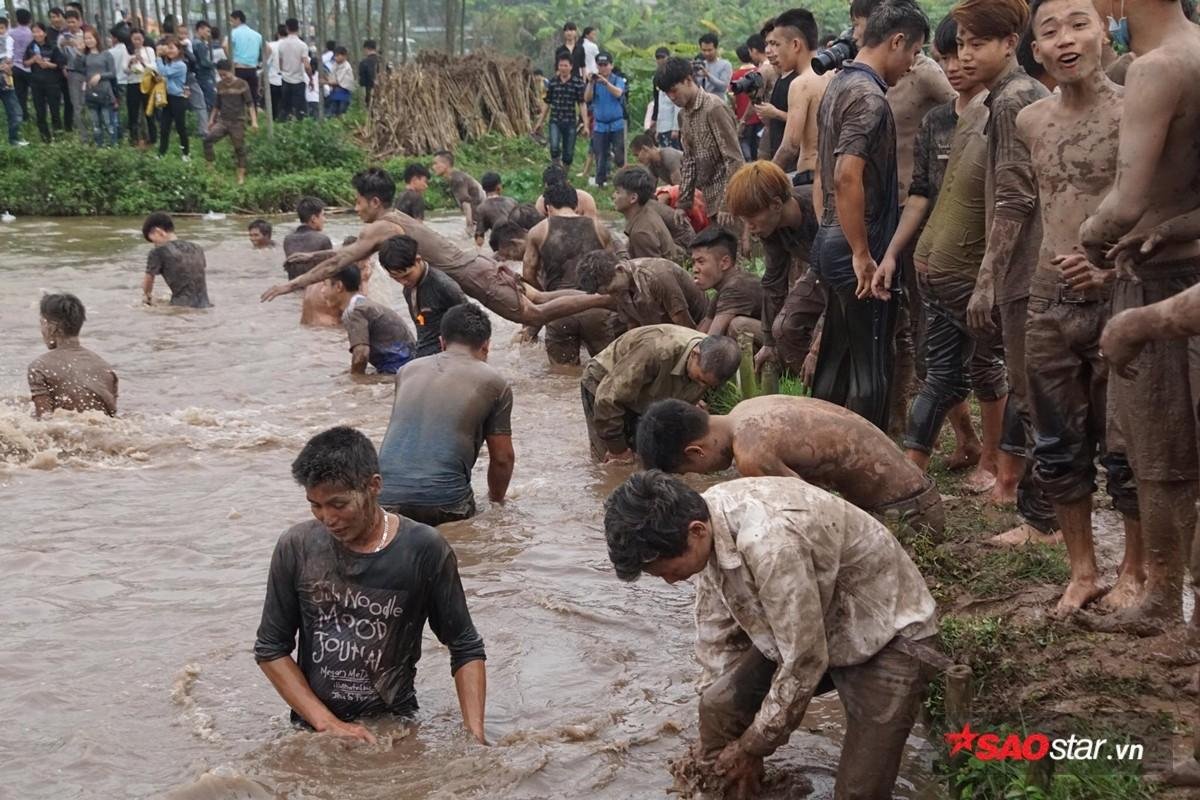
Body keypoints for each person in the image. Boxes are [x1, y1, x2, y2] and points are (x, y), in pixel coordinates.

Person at [602, 471, 937, 800]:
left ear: (697, 531)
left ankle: (746, 768)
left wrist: (752, 745)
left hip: (885, 635)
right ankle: (732, 789)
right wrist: (724, 727)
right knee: (718, 704)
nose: (670, 581)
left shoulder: (771, 541)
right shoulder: (707, 523)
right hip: (810, 624)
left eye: (667, 570)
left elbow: (805, 662)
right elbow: (717, 638)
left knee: (858, 791)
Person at [1002, 0, 1140, 618]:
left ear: (1106, 31)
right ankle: (1082, 570)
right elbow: (1033, 205)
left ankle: (1136, 570)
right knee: (1056, 441)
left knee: (1129, 445)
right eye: (1049, 31)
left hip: (1123, 294)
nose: (1065, 39)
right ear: (1034, 51)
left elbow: (1160, 203)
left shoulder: (1136, 110)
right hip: (1048, 299)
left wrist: (1113, 266)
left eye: (1079, 23)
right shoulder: (1031, 120)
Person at [1073, 0, 1200, 641]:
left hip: (1162, 282)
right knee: (1173, 448)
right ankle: (1171, 603)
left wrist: (1084, 242)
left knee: (1161, 452)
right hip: (1179, 260)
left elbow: (1125, 203)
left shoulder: (1156, 69)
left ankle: (1166, 595)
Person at [253, 426, 487, 743]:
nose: (327, 518)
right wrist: (326, 723)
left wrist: (475, 738)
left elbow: (465, 647)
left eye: (338, 504)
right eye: (315, 505)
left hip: (394, 727)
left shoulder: (423, 549)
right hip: (312, 731)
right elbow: (271, 649)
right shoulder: (297, 547)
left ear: (373, 486)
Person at [888, 16, 1007, 488]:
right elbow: (920, 191)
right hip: (935, 259)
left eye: (962, 53)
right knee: (935, 362)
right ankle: (967, 441)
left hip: (982, 259)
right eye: (945, 58)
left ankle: (993, 461)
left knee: (984, 363)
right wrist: (896, 250)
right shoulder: (937, 120)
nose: (955, 66)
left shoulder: (1000, 113)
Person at [954, 0, 1057, 541]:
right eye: (962, 43)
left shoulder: (1016, 99)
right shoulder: (1013, 97)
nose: (965, 55)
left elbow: (1016, 198)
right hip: (1028, 269)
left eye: (976, 43)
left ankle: (1044, 522)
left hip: (1027, 272)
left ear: (1010, 41)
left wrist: (987, 280)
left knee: (1033, 391)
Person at [265, 168, 584, 330]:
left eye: (358, 200)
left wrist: (292, 284)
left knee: (534, 315)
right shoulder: (392, 218)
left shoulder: (382, 226)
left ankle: (609, 299)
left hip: (474, 276)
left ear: (374, 202)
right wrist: (311, 256)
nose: (355, 206)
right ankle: (603, 298)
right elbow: (350, 251)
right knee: (539, 298)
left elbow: (342, 261)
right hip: (478, 264)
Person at [810, 0, 927, 430]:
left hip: (829, 236)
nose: (913, 65)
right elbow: (846, 175)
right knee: (869, 363)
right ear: (896, 41)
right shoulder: (870, 98)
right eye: (914, 52)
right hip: (860, 244)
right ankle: (866, 467)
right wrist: (862, 252)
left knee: (835, 356)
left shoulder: (838, 84)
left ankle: (819, 451)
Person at [639, 395, 944, 532]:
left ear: (695, 453)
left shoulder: (751, 454)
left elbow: (812, 517)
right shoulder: (747, 408)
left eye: (688, 472)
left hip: (909, 517)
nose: (697, 474)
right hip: (919, 491)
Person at [378, 304, 514, 525]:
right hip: (446, 502)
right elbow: (502, 458)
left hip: (384, 499)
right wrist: (496, 503)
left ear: (441, 342)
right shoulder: (495, 382)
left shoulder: (407, 371)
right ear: (486, 346)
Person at [581, 326, 740, 462]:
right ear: (694, 354)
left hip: (650, 389)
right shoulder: (657, 350)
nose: (700, 386)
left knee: (645, 454)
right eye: (699, 379)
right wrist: (617, 450)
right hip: (604, 383)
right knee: (612, 462)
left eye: (707, 385)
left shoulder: (714, 362)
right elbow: (607, 399)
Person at [726, 162, 822, 379]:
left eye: (751, 218)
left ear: (776, 205)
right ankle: (810, 386)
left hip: (855, 275)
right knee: (784, 327)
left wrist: (817, 348)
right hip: (820, 273)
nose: (749, 227)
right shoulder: (772, 228)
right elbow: (773, 282)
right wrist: (769, 342)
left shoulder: (820, 211)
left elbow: (837, 285)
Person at [520, 180, 619, 364]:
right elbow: (613, 271)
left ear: (547, 207)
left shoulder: (538, 231)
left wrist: (545, 296)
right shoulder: (600, 229)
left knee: (562, 374)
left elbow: (528, 276)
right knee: (608, 369)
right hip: (595, 308)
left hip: (558, 310)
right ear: (576, 204)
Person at [655, 56, 743, 227]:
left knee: (733, 250)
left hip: (728, 199)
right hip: (707, 198)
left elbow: (734, 159)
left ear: (688, 80)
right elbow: (689, 162)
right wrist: (683, 203)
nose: (671, 97)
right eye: (667, 93)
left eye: (674, 90)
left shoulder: (714, 108)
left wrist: (727, 203)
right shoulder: (683, 116)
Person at [760, 9, 831, 183]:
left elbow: (790, 146)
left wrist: (763, 181)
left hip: (809, 176)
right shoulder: (832, 74)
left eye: (777, 44)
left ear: (795, 45)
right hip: (830, 173)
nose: (772, 52)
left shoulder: (801, 84)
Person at [28, 292, 118, 418]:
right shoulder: (105, 368)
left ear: (51, 327)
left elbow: (44, 421)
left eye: (42, 323)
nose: (41, 330)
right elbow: (111, 416)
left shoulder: (39, 367)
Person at [378, 234, 467, 359]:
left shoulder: (444, 286)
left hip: (446, 356)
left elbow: (470, 320)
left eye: (406, 275)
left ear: (418, 260)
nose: (403, 282)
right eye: (396, 278)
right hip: (424, 354)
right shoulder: (408, 290)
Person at [575, 250, 708, 331]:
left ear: (620, 269)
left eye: (612, 290)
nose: (613, 295)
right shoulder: (620, 284)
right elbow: (633, 323)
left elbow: (683, 322)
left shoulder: (657, 276)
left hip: (697, 323)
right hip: (662, 326)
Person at [324, 264, 415, 375]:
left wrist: (355, 381)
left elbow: (361, 353)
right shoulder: (362, 304)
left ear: (338, 286)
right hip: (408, 364)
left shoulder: (354, 311)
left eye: (325, 285)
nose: (322, 291)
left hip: (398, 368)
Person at [689, 226, 763, 342]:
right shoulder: (723, 288)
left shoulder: (736, 287)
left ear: (724, 263)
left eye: (701, 262)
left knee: (738, 325)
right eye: (693, 263)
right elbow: (700, 332)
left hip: (788, 343)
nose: (695, 269)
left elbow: (710, 339)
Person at [141, 212, 212, 308]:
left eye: (154, 240)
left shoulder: (158, 252)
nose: (155, 245)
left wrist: (147, 298)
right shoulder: (197, 248)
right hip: (205, 306)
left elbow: (148, 281)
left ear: (159, 232)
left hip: (181, 306)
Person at [203, 59, 257, 185]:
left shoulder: (242, 84)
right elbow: (217, 105)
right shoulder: (220, 85)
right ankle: (210, 169)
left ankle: (241, 176)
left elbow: (250, 104)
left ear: (231, 71)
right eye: (220, 75)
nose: (223, 77)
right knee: (207, 140)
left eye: (225, 74)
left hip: (238, 121)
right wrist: (211, 120)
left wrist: (254, 121)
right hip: (223, 121)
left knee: (239, 148)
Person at [613, 166, 684, 262]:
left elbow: (651, 272)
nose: (614, 196)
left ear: (633, 198)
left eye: (618, 192)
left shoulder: (640, 233)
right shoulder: (647, 212)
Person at [535, 53, 587, 171]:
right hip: (555, 121)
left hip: (570, 122)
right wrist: (540, 122)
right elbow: (547, 103)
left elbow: (582, 104)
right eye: (560, 65)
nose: (563, 68)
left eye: (565, 65)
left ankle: (564, 174)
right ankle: (556, 170)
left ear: (571, 67)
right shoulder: (553, 82)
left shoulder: (577, 83)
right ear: (557, 67)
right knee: (554, 147)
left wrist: (586, 124)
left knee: (568, 153)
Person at [583, 51, 626, 188]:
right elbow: (587, 98)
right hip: (600, 125)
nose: (603, 68)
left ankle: (623, 181)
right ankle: (600, 182)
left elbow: (618, 93)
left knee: (619, 155)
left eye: (605, 65)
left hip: (617, 124)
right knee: (600, 155)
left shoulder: (617, 80)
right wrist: (590, 83)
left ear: (611, 65)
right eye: (600, 65)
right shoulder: (594, 82)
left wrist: (606, 83)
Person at [73, 29, 117, 146]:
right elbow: (78, 69)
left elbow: (112, 73)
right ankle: (99, 146)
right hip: (91, 93)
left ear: (96, 38)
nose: (88, 41)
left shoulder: (106, 54)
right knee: (95, 123)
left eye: (90, 38)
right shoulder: (85, 56)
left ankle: (112, 145)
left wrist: (100, 76)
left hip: (105, 92)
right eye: (86, 39)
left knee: (108, 122)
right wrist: (79, 53)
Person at [24, 23, 66, 143]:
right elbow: (25, 63)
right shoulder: (30, 47)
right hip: (36, 84)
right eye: (34, 32)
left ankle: (59, 138)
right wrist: (33, 60)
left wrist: (48, 64)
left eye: (39, 31)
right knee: (40, 112)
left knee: (55, 112)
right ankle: (45, 139)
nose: (37, 34)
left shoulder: (52, 46)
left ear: (45, 33)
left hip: (52, 83)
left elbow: (60, 64)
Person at [432, 150, 485, 235]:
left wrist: (469, 226)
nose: (433, 167)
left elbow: (466, 202)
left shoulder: (457, 179)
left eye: (435, 163)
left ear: (446, 165)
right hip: (481, 218)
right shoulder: (457, 176)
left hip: (480, 221)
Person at [155, 35, 190, 160]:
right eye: (167, 48)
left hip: (178, 99)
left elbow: (164, 73)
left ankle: (186, 153)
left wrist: (158, 57)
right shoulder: (169, 63)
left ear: (179, 50)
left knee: (181, 127)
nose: (169, 51)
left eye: (172, 48)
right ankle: (161, 153)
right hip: (168, 98)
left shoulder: (180, 65)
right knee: (164, 128)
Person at [729, 40, 763, 162]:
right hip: (759, 115)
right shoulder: (759, 71)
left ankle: (748, 163)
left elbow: (733, 96)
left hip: (744, 115)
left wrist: (736, 112)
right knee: (757, 143)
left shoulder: (736, 75)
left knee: (744, 141)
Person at [283, 196, 333, 278]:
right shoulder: (322, 239)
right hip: (316, 287)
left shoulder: (288, 240)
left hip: (293, 286)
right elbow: (329, 270)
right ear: (313, 219)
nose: (325, 219)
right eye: (323, 215)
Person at [124, 27, 156, 147]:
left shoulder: (149, 50)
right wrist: (130, 62)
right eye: (134, 39)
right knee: (133, 113)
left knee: (149, 112)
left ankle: (152, 139)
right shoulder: (127, 51)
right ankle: (134, 139)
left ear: (143, 39)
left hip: (146, 83)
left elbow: (153, 67)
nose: (137, 41)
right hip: (132, 84)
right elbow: (124, 71)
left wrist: (142, 62)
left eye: (139, 39)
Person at [0, 16, 28, 147]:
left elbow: (11, 57)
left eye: (1, 28)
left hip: (6, 78)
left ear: (6, 28)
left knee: (15, 110)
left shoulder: (9, 40)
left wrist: (8, 65)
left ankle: (14, 139)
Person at [534, 165, 598, 218]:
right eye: (552, 189)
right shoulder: (541, 203)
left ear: (568, 183)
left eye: (559, 187)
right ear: (545, 187)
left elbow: (593, 227)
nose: (556, 191)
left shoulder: (585, 200)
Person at [227, 9, 263, 105]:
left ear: (238, 19)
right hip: (252, 69)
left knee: (239, 96)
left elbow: (224, 45)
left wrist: (231, 60)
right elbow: (268, 49)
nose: (231, 23)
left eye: (232, 20)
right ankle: (253, 118)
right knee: (252, 96)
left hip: (239, 68)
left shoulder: (234, 33)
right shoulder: (257, 35)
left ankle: (241, 117)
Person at [473, 172, 518, 248]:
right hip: (518, 240)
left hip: (501, 246)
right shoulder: (512, 201)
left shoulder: (481, 208)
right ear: (499, 187)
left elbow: (479, 238)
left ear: (483, 189)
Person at [648, 46, 681, 150]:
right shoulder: (657, 77)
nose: (660, 60)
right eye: (658, 57)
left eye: (663, 57)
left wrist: (676, 128)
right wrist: (657, 125)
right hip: (663, 125)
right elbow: (658, 103)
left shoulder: (674, 77)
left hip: (672, 126)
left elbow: (677, 105)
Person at [276, 18, 309, 121]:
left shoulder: (281, 44)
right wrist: (311, 78)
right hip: (299, 80)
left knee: (285, 108)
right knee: (299, 109)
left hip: (285, 80)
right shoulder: (302, 45)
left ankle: (282, 126)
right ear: (298, 28)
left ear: (287, 28)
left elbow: (280, 65)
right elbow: (307, 65)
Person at [9, 8, 32, 119]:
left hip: (15, 67)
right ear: (29, 20)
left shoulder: (11, 33)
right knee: (35, 93)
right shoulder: (31, 33)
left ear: (17, 19)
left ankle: (24, 116)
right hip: (29, 67)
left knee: (20, 94)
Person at [192, 20, 217, 111]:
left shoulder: (193, 43)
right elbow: (204, 62)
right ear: (200, 29)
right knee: (209, 100)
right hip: (204, 76)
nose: (209, 34)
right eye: (207, 31)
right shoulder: (199, 44)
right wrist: (214, 64)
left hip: (199, 75)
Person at [324, 45, 354, 115]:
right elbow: (331, 78)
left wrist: (324, 82)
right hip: (334, 94)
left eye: (338, 56)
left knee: (341, 113)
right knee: (333, 114)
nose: (335, 58)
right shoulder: (335, 65)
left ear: (344, 56)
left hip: (343, 95)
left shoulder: (346, 66)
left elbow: (338, 81)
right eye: (335, 56)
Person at [358, 38, 379, 108]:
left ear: (366, 49)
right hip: (383, 92)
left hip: (368, 90)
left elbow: (362, 80)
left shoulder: (364, 62)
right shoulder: (381, 61)